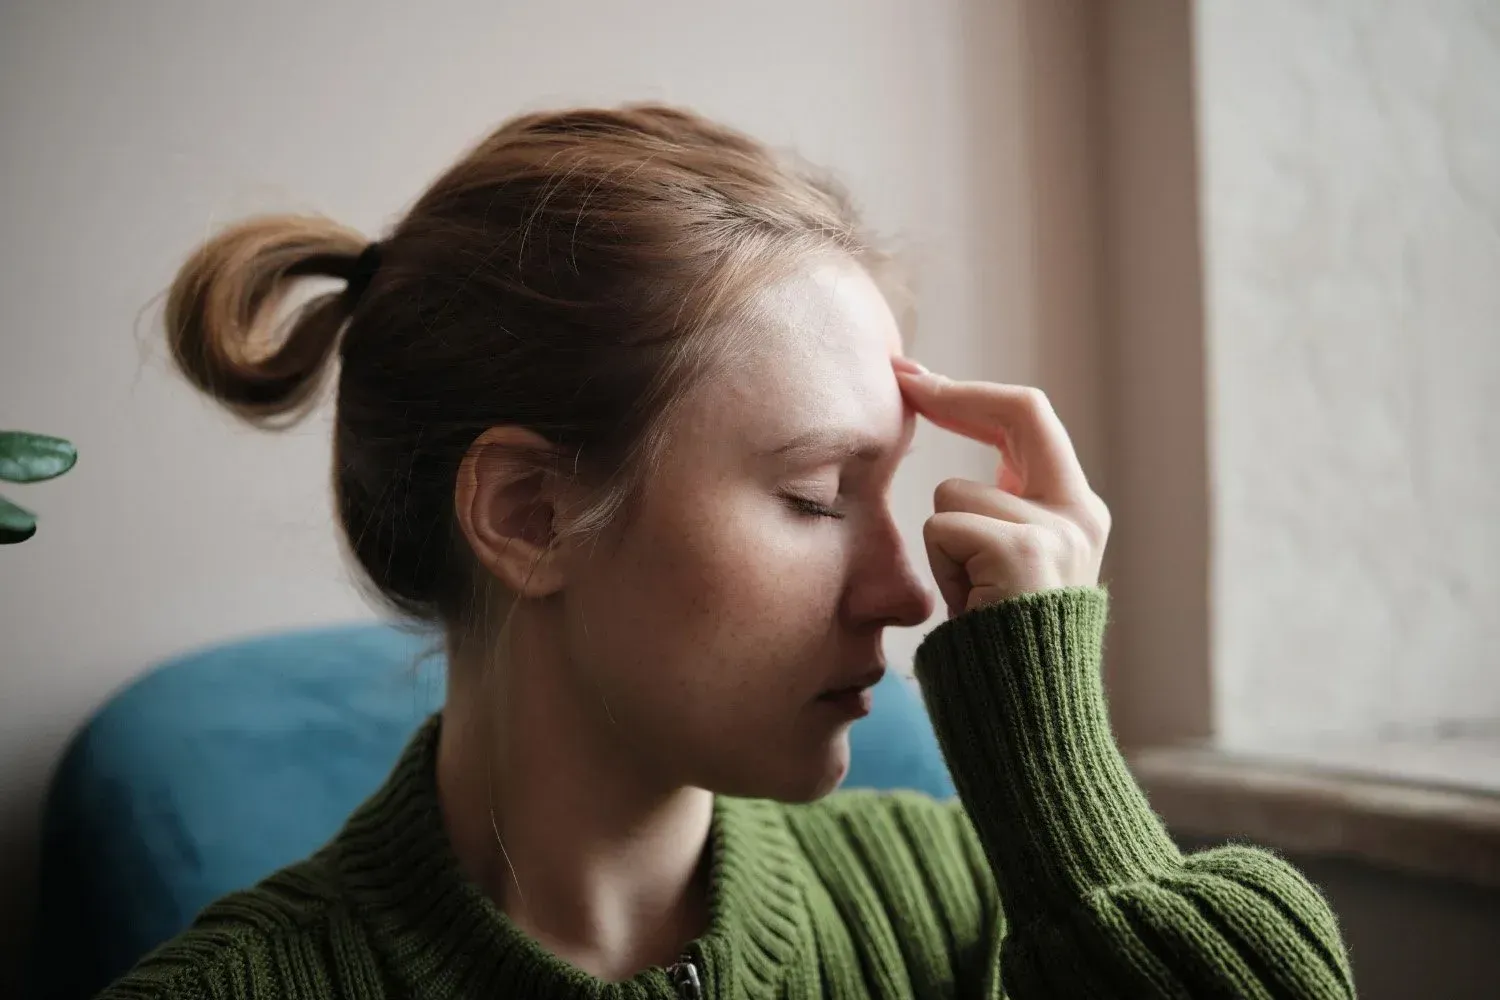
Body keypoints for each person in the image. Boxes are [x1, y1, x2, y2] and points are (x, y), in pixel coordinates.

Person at [102, 104, 1354, 999]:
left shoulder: (960, 909)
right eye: (818, 496)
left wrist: (1066, 781)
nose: (909, 588)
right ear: (530, 513)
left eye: (890, 492)